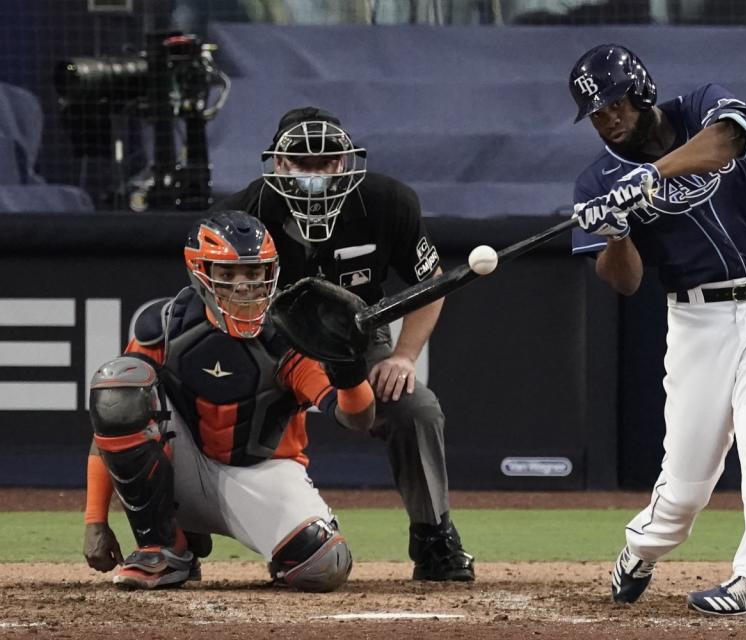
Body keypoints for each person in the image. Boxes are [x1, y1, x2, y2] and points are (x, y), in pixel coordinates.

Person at [568, 44, 746, 615]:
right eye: (598, 114)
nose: (610, 120)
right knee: (685, 490)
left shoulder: (698, 107)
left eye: (616, 105)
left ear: (642, 91)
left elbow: (730, 137)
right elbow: (623, 283)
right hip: (699, 320)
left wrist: (651, 175)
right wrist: (616, 230)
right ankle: (640, 547)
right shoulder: (596, 180)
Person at [212, 107, 475, 582]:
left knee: (415, 408)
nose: (313, 174)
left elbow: (431, 282)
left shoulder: (387, 202)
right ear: (278, 165)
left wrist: (403, 355)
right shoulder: (241, 215)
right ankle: (172, 541)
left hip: (355, 333)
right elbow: (212, 298)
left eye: (326, 161)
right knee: (199, 403)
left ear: (345, 163)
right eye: (300, 162)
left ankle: (434, 536)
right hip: (262, 337)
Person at [82, 210, 374, 591]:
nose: (243, 287)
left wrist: (350, 368)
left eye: (254, 274)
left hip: (262, 471)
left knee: (324, 566)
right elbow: (115, 417)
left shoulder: (289, 337)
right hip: (182, 469)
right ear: (200, 273)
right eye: (228, 274)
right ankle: (163, 548)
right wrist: (95, 520)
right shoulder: (167, 326)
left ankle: (276, 549)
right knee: (117, 384)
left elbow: (356, 418)